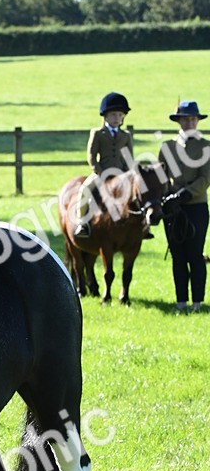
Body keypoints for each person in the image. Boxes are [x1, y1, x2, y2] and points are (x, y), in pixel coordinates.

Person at [158, 100, 210, 312]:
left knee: (195, 254)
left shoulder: (206, 146)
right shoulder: (167, 147)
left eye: (192, 119)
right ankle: (181, 301)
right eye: (185, 119)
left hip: (196, 206)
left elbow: (206, 178)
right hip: (173, 209)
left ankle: (197, 301)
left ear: (197, 121)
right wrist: (168, 197)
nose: (189, 122)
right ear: (178, 121)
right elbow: (161, 177)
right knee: (177, 255)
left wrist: (185, 193)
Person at [73, 92, 147, 239]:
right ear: (105, 116)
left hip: (121, 174)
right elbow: (91, 155)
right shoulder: (97, 133)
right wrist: (99, 171)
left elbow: (129, 158)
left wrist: (128, 175)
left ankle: (145, 226)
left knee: (142, 191)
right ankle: (82, 223)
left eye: (120, 115)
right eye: (113, 115)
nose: (117, 118)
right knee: (84, 190)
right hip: (101, 172)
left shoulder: (126, 136)